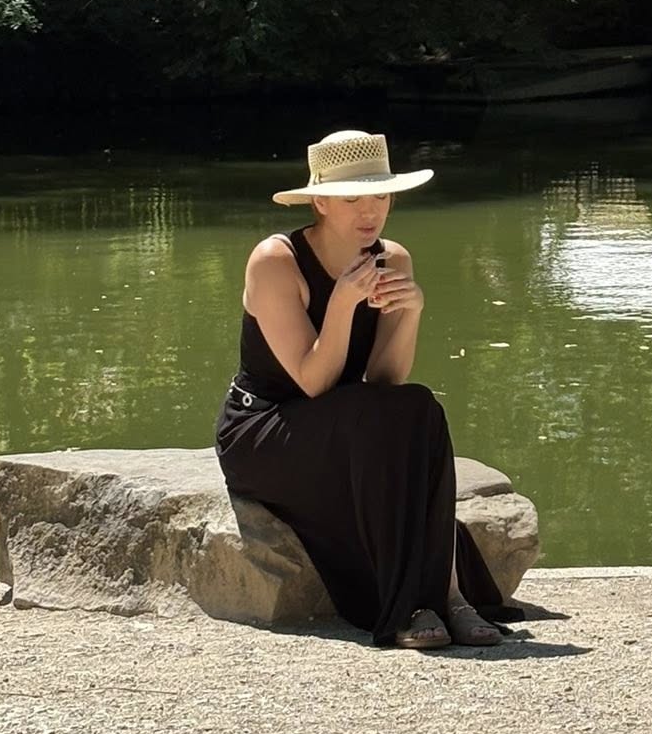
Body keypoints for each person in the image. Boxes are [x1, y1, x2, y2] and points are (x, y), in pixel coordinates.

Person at [216, 129, 510, 650]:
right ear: (321, 203)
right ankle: (407, 607)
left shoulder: (393, 258)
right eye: (352, 199)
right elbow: (313, 382)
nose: (369, 211)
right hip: (265, 429)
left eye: (380, 196)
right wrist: (343, 302)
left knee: (419, 406)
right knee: (376, 415)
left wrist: (411, 313)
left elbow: (385, 382)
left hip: (348, 425)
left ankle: (451, 597)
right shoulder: (275, 260)